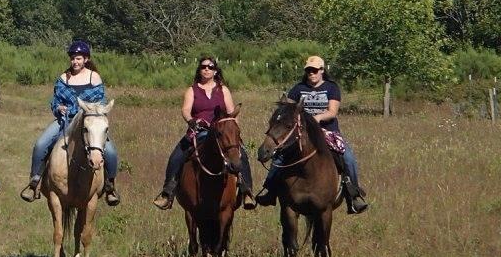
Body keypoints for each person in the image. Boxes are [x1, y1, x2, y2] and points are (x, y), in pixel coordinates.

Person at [255, 55, 368, 214]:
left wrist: (316, 119)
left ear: (322, 70)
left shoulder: (331, 87)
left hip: (328, 131)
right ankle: (270, 190)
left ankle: (353, 195)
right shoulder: (297, 89)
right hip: (301, 132)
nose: (311, 73)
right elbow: (288, 112)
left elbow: (332, 112)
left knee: (348, 157)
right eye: (308, 70)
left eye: (315, 70)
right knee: (279, 155)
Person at [19, 40, 120, 206]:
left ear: (86, 59)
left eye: (79, 58)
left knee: (110, 151)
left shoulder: (94, 77)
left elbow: (101, 102)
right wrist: (58, 107)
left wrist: (87, 110)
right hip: (64, 121)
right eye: (73, 58)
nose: (75, 62)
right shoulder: (63, 78)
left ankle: (110, 186)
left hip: (89, 122)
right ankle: (34, 181)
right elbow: (55, 101)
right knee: (40, 144)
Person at [152, 57, 256, 210]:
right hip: (199, 132)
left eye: (210, 67)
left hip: (222, 133)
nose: (207, 69)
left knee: (242, 154)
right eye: (203, 67)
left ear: (215, 71)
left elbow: (231, 112)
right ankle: (168, 192)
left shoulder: (223, 89)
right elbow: (186, 110)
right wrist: (191, 120)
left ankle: (246, 191)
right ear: (199, 70)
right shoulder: (192, 90)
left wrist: (233, 130)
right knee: (177, 155)